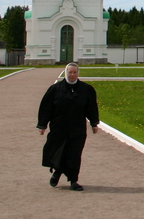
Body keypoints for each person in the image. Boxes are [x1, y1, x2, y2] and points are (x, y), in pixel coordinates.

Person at [37, 63, 99, 191]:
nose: (72, 75)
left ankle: (73, 181)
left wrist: (94, 123)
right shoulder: (55, 89)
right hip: (59, 128)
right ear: (66, 73)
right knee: (59, 152)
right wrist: (42, 125)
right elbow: (46, 108)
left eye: (74, 72)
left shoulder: (86, 89)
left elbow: (91, 108)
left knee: (74, 154)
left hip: (77, 129)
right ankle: (57, 172)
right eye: (70, 72)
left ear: (78, 73)